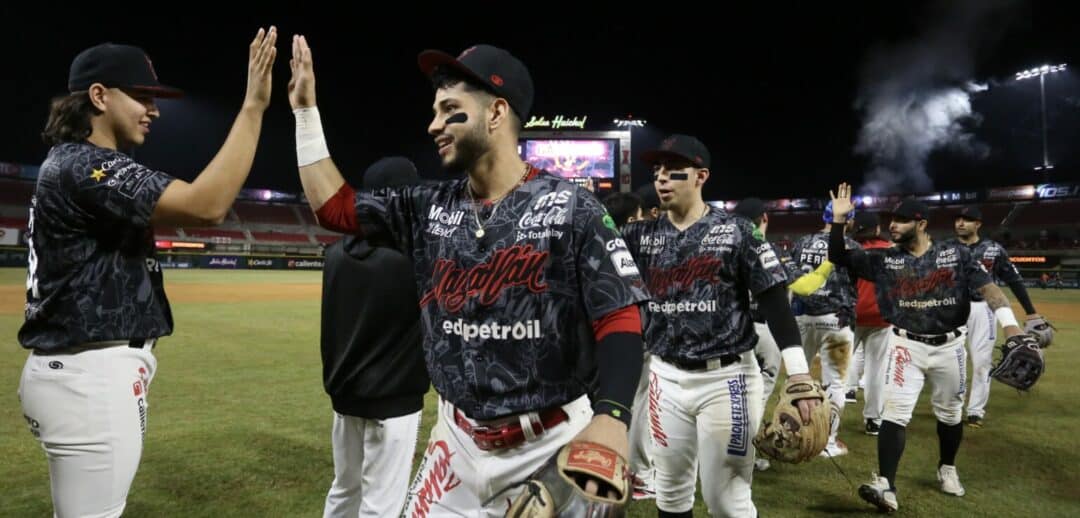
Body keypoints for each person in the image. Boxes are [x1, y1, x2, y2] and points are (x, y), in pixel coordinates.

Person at [288, 36, 648, 517]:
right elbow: (334, 207)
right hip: (456, 442)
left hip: (550, 443)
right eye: (435, 110)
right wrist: (306, 112)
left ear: (496, 113)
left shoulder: (571, 207)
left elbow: (619, 315)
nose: (434, 124)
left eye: (449, 109)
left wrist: (614, 416)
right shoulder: (428, 206)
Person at [17, 29, 278, 517]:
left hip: (76, 372)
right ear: (98, 96)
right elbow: (208, 204)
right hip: (89, 378)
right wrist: (253, 107)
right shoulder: (86, 166)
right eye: (142, 96)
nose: (154, 109)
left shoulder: (70, 163)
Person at [621, 135, 819, 517]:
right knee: (671, 493)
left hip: (726, 379)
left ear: (701, 176)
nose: (662, 178)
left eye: (673, 170)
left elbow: (776, 303)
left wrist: (799, 375)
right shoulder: (639, 237)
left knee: (726, 499)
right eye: (657, 170)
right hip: (665, 376)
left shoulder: (738, 232)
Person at [828, 184, 1029, 512]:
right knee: (895, 414)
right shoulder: (886, 259)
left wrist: (1012, 327)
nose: (893, 225)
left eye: (903, 220)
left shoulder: (955, 254)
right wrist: (838, 222)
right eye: (892, 219)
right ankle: (886, 485)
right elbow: (838, 255)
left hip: (950, 346)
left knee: (950, 415)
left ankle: (947, 467)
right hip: (905, 344)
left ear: (921, 224)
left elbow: (990, 289)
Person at [320, 157, 430, 518]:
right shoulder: (414, 259)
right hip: (395, 399)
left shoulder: (335, 254)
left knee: (345, 489)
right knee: (381, 505)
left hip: (346, 396)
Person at [733, 196, 835, 472]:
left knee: (729, 394)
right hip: (768, 331)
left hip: (734, 332)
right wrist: (828, 265)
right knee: (758, 394)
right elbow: (805, 287)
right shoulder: (771, 251)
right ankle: (746, 456)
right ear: (764, 219)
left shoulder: (726, 248)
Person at [948, 206, 1044, 428]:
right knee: (952, 361)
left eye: (967, 220)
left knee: (982, 362)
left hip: (983, 309)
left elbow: (1014, 281)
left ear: (978, 224)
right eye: (958, 219)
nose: (960, 223)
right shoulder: (944, 248)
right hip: (952, 308)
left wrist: (1030, 311)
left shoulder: (993, 250)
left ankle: (975, 412)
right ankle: (952, 407)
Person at [789, 201, 861, 457]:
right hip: (837, 321)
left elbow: (794, 278)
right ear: (848, 219)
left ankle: (791, 434)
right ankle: (827, 442)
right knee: (835, 383)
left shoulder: (802, 242)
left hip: (803, 318)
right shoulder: (851, 246)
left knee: (796, 380)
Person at [842, 211, 893, 436]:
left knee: (838, 368)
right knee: (876, 369)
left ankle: (829, 414)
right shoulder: (892, 250)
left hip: (852, 313)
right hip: (881, 316)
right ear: (878, 229)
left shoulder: (850, 249)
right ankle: (874, 419)